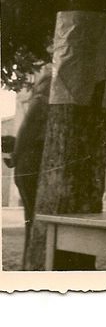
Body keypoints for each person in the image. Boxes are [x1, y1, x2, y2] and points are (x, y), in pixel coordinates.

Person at [12, 66, 51, 269]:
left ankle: (29, 262)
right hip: (28, 166)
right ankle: (28, 263)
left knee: (33, 218)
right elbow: (25, 131)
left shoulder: (45, 104)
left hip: (31, 165)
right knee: (31, 218)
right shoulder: (40, 103)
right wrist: (16, 157)